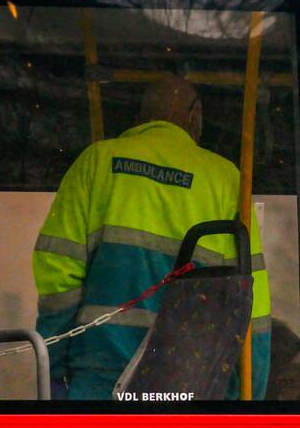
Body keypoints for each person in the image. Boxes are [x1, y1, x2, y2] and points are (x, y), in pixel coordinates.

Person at [33, 75, 271, 400]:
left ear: (142, 117)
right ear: (195, 114)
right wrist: (248, 394)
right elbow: (249, 304)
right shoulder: (226, 180)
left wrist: (52, 369)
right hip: (189, 381)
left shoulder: (97, 161)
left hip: (100, 377)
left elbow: (59, 276)